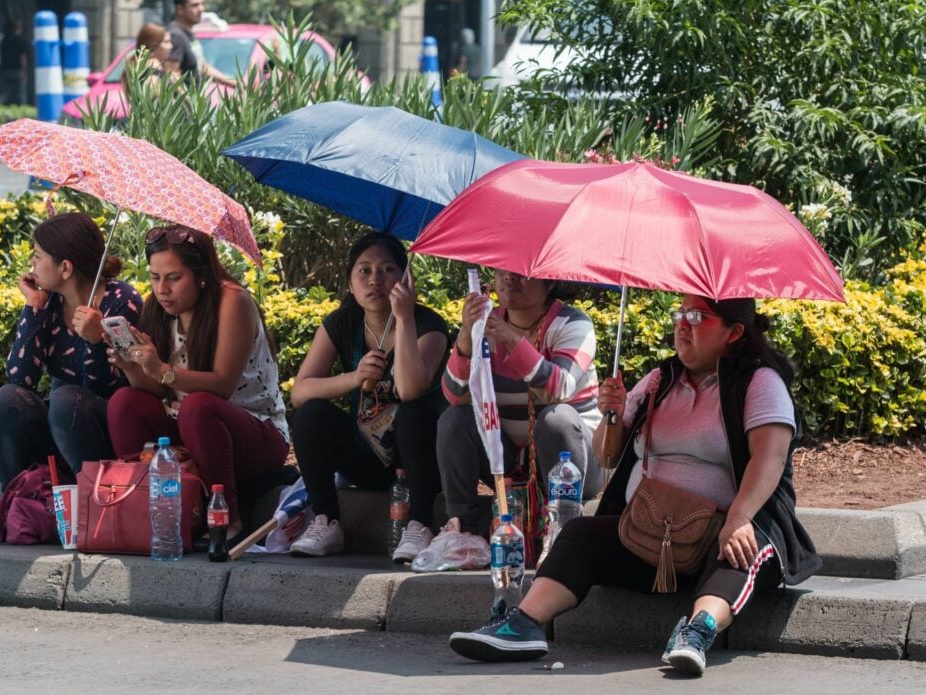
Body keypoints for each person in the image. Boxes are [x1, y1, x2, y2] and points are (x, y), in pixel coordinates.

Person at [448, 295, 822, 677]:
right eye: (679, 314)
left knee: (743, 546)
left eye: (697, 317)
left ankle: (695, 633)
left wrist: (740, 516)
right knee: (580, 533)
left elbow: (769, 457)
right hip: (651, 530)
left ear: (734, 332)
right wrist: (613, 416)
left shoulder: (760, 381)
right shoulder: (660, 379)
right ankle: (523, 624)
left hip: (721, 529)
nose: (682, 324)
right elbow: (606, 455)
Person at [106, 225, 289, 549]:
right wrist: (134, 367)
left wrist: (162, 369)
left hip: (255, 433)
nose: (162, 289)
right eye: (154, 277)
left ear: (201, 275)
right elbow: (159, 391)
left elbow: (222, 385)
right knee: (125, 401)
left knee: (198, 406)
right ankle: (146, 513)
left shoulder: (232, 301)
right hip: (189, 427)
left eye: (173, 278)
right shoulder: (159, 308)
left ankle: (227, 521)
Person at [0, 213, 143, 540]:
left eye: (38, 256)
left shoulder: (122, 301)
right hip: (59, 426)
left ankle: (91, 510)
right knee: (7, 400)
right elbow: (21, 380)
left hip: (105, 430)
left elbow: (103, 385)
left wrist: (95, 339)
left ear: (65, 268)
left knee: (66, 399)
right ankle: (16, 506)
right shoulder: (49, 302)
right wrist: (34, 307)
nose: (31, 264)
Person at [288, 232, 450, 560]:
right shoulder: (342, 322)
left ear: (406, 279)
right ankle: (326, 520)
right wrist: (354, 377)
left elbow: (409, 389)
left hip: (417, 463)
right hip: (365, 456)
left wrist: (403, 317)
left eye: (387, 270)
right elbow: (300, 392)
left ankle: (419, 524)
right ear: (350, 282)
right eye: (364, 271)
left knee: (414, 412)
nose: (375, 279)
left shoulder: (429, 325)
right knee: (312, 414)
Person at [428, 270, 603, 564]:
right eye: (503, 270)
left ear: (550, 281)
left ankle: (561, 529)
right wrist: (467, 337)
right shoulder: (487, 325)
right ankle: (464, 531)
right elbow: (455, 395)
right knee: (454, 420)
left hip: (574, 463)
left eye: (523, 273)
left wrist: (511, 340)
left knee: (556, 419)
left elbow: (558, 389)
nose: (510, 278)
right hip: (511, 459)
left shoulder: (573, 324)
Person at [167, 0, 236, 87]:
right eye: (195, 6)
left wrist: (236, 84)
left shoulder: (188, 33)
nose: (201, 9)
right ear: (180, 9)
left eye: (202, 4)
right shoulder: (176, 35)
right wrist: (186, 99)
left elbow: (202, 67)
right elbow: (171, 73)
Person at [122, 23, 178, 91]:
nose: (171, 46)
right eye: (166, 42)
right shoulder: (152, 74)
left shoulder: (136, 69)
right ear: (152, 46)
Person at [0, 19, 30, 105]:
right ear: (18, 29)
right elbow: (22, 57)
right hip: (17, 70)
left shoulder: (3, 41)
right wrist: (25, 71)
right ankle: (23, 109)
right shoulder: (20, 40)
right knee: (21, 92)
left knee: (5, 92)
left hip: (5, 70)